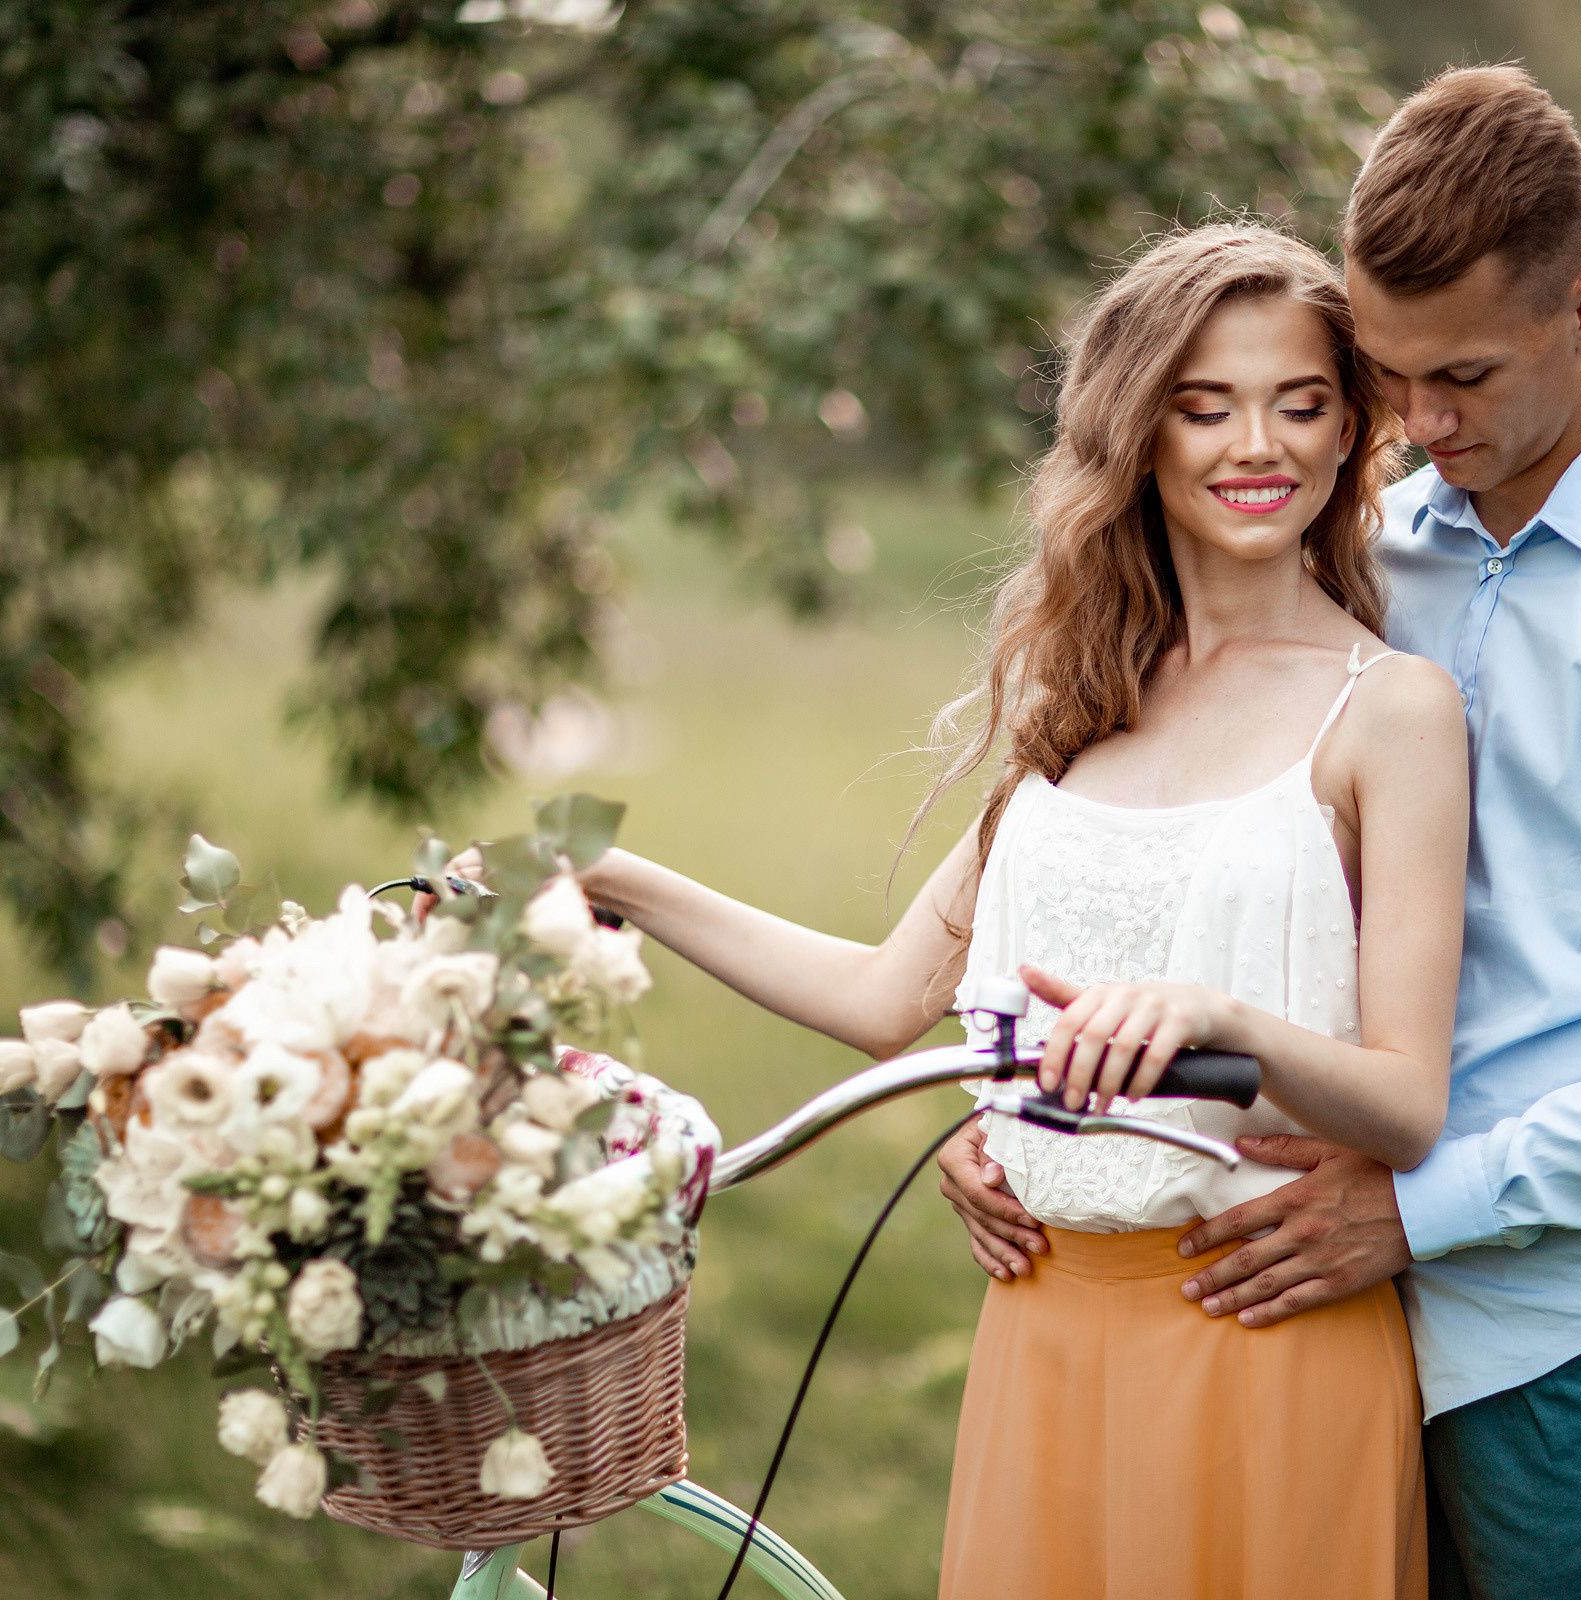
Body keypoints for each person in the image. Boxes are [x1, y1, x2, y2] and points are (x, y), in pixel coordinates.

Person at [940, 65, 1581, 1600]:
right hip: (1306, 1304)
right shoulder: (1383, 553)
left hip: (1568, 1343)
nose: (1420, 423)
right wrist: (1019, 1116)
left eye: (1469, 378)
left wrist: (1418, 1213)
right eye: (1391, 374)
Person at [564, 224, 1469, 1598]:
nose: (1258, 446)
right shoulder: (1082, 699)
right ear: (1138, 431)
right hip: (1043, 1329)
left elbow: (1405, 1101)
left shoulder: (1389, 708)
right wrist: (605, 873)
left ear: (1352, 429)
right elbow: (885, 1001)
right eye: (1205, 404)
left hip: (1264, 1332)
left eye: (1301, 403)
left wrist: (1221, 1020)